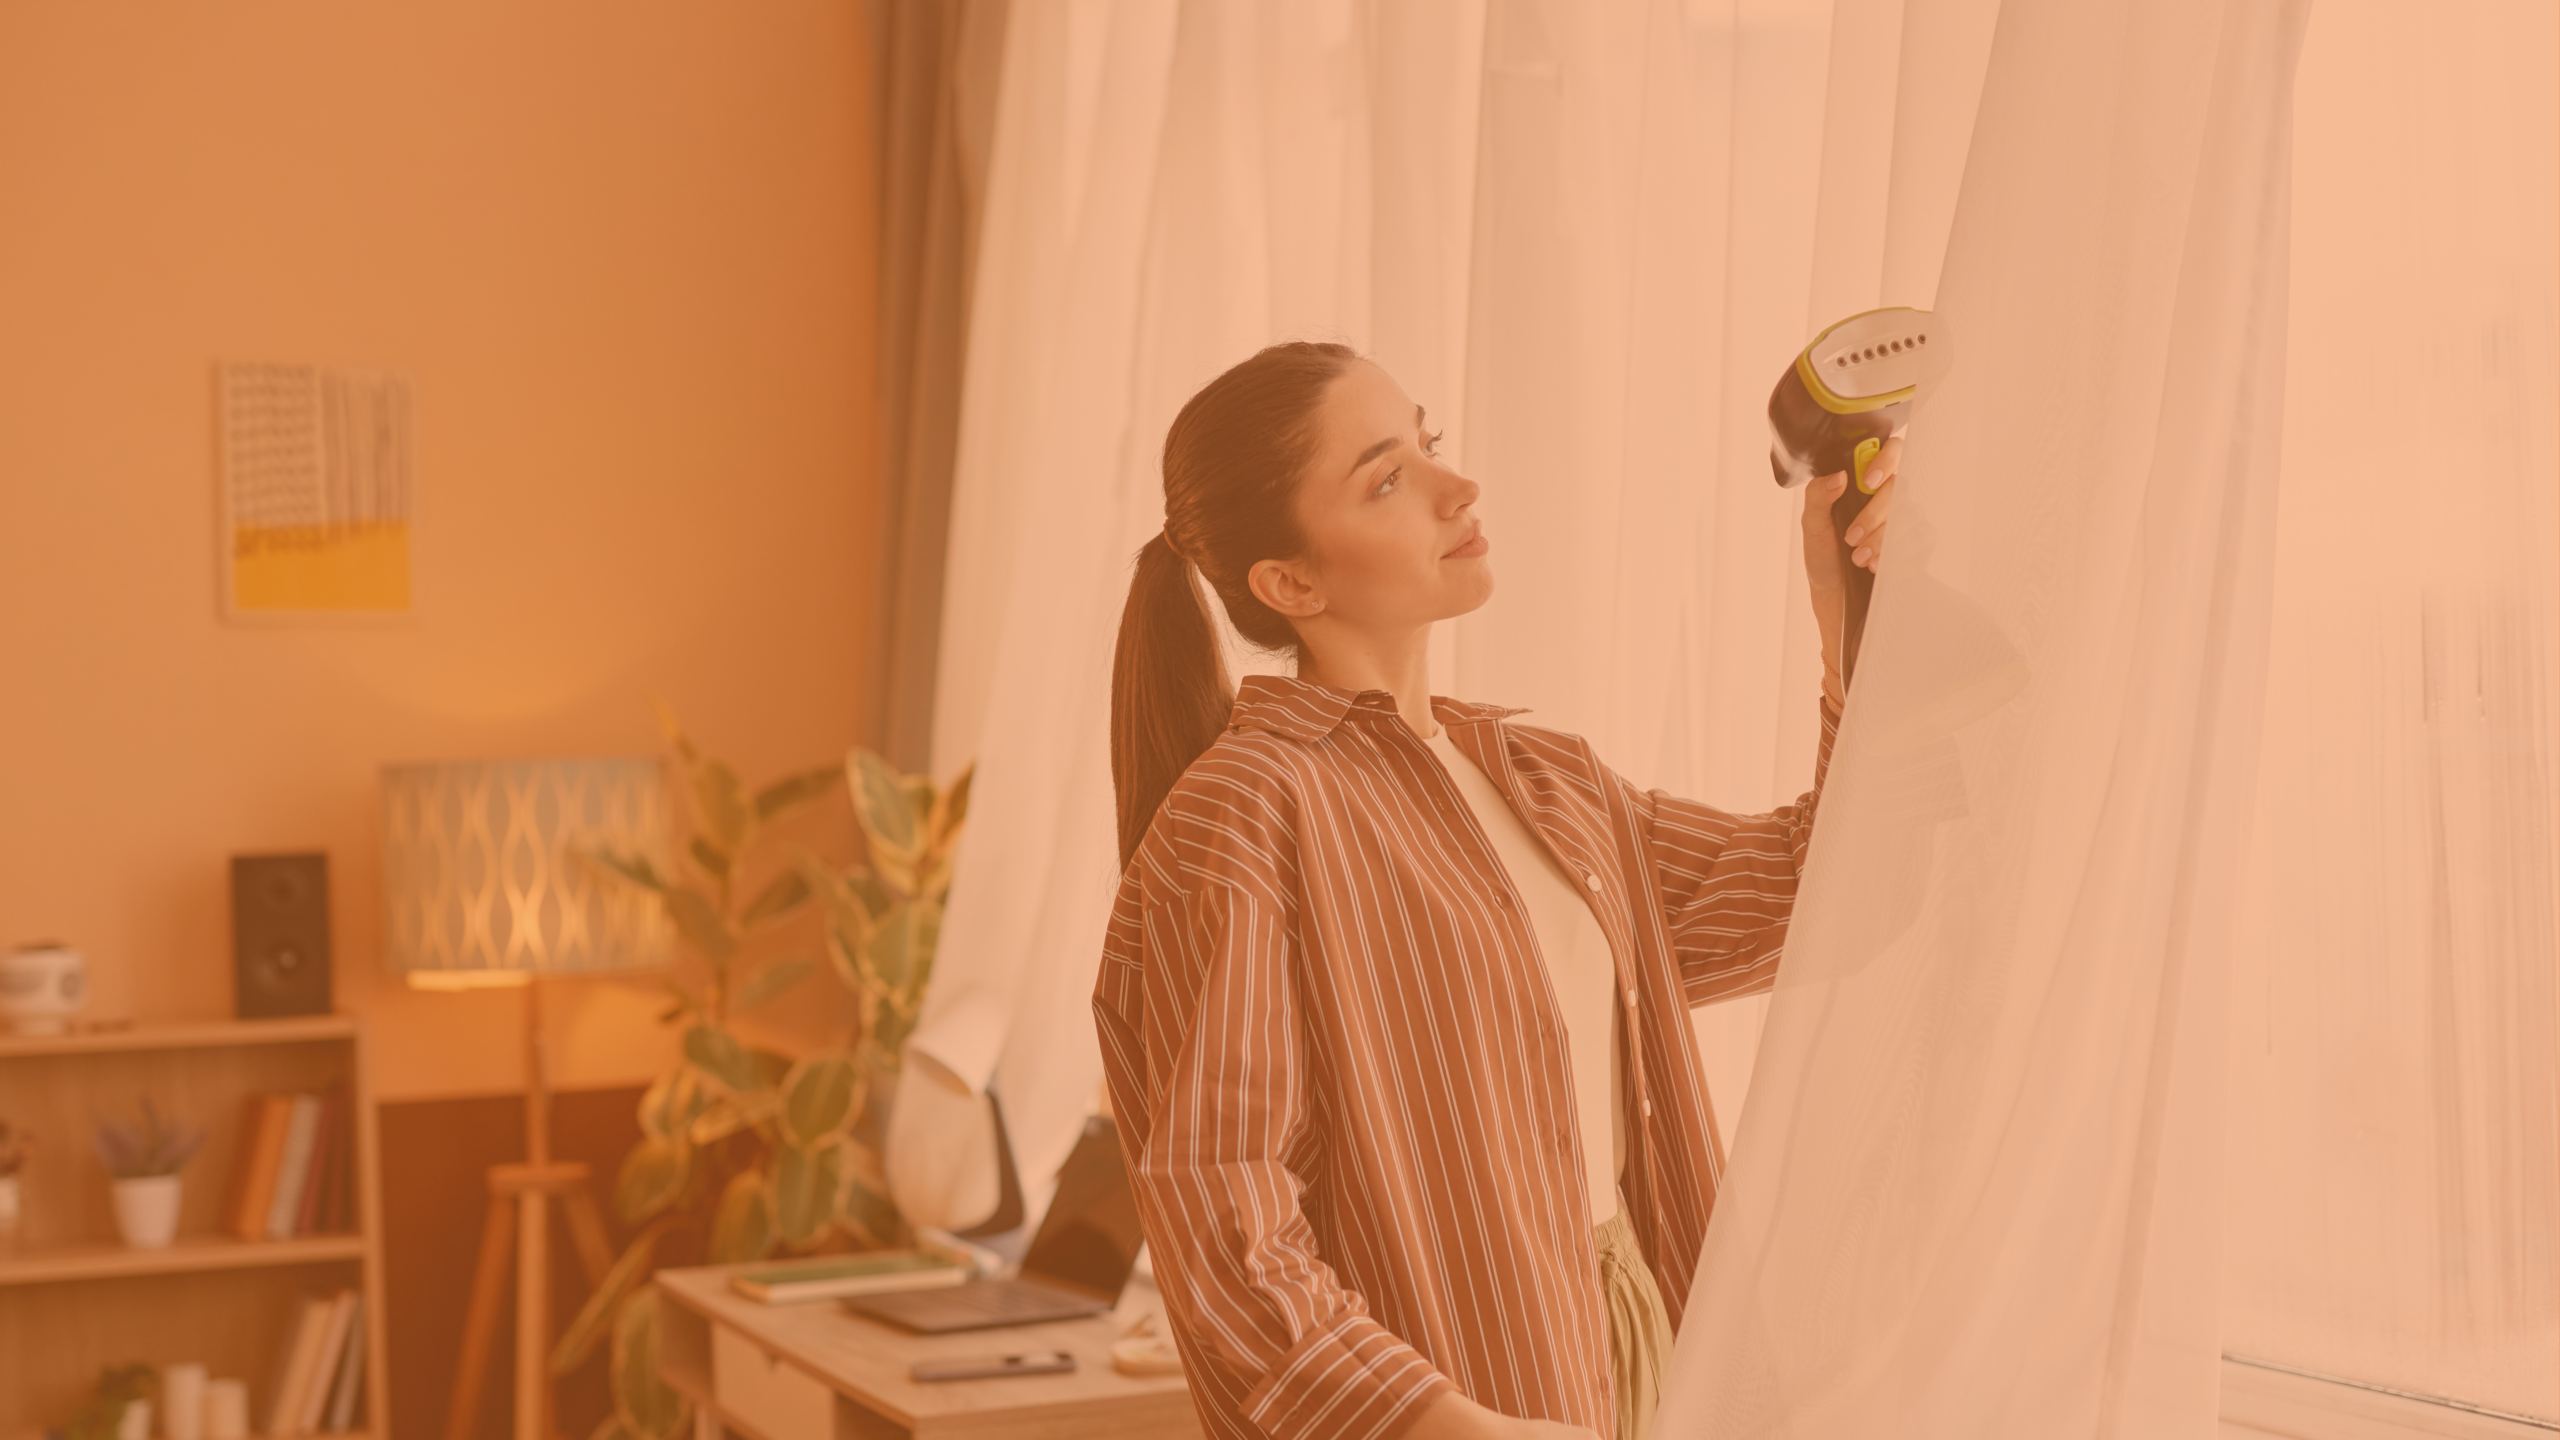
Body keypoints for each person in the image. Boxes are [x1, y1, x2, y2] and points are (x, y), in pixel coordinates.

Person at [1093, 341, 1893, 1440]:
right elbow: (1226, 1215)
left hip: (1640, 1357)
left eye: (1428, 445)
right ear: (1290, 583)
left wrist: (1845, 616)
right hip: (1461, 1407)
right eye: (1386, 479)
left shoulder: (1546, 779)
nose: (1454, 487)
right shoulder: (1241, 820)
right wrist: (1449, 1428)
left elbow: (1818, 892)